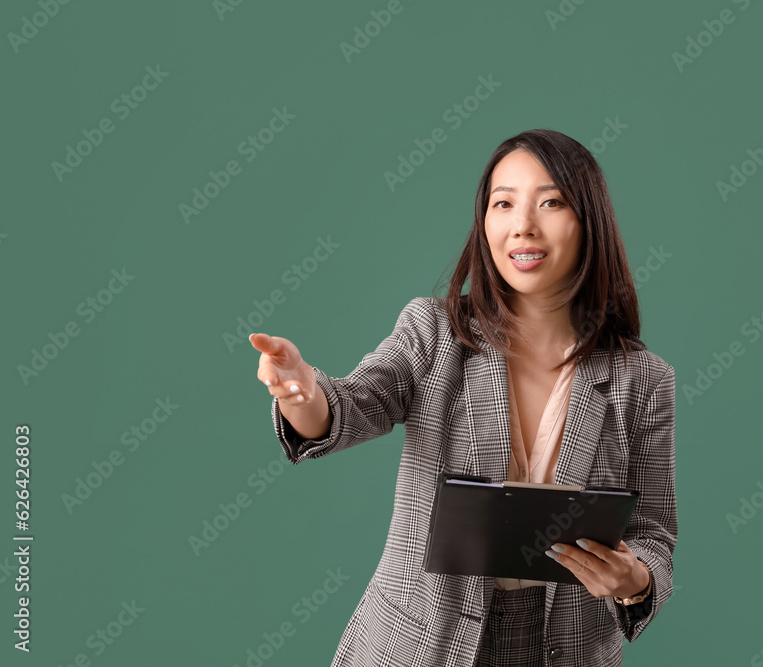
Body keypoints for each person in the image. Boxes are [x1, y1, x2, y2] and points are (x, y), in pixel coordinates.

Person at [250, 129, 677, 666]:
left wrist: (635, 579)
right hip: (418, 642)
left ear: (589, 221)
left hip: (564, 650)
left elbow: (654, 531)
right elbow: (353, 406)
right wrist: (303, 391)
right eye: (503, 204)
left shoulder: (645, 379)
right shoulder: (434, 331)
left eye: (550, 202)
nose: (522, 225)